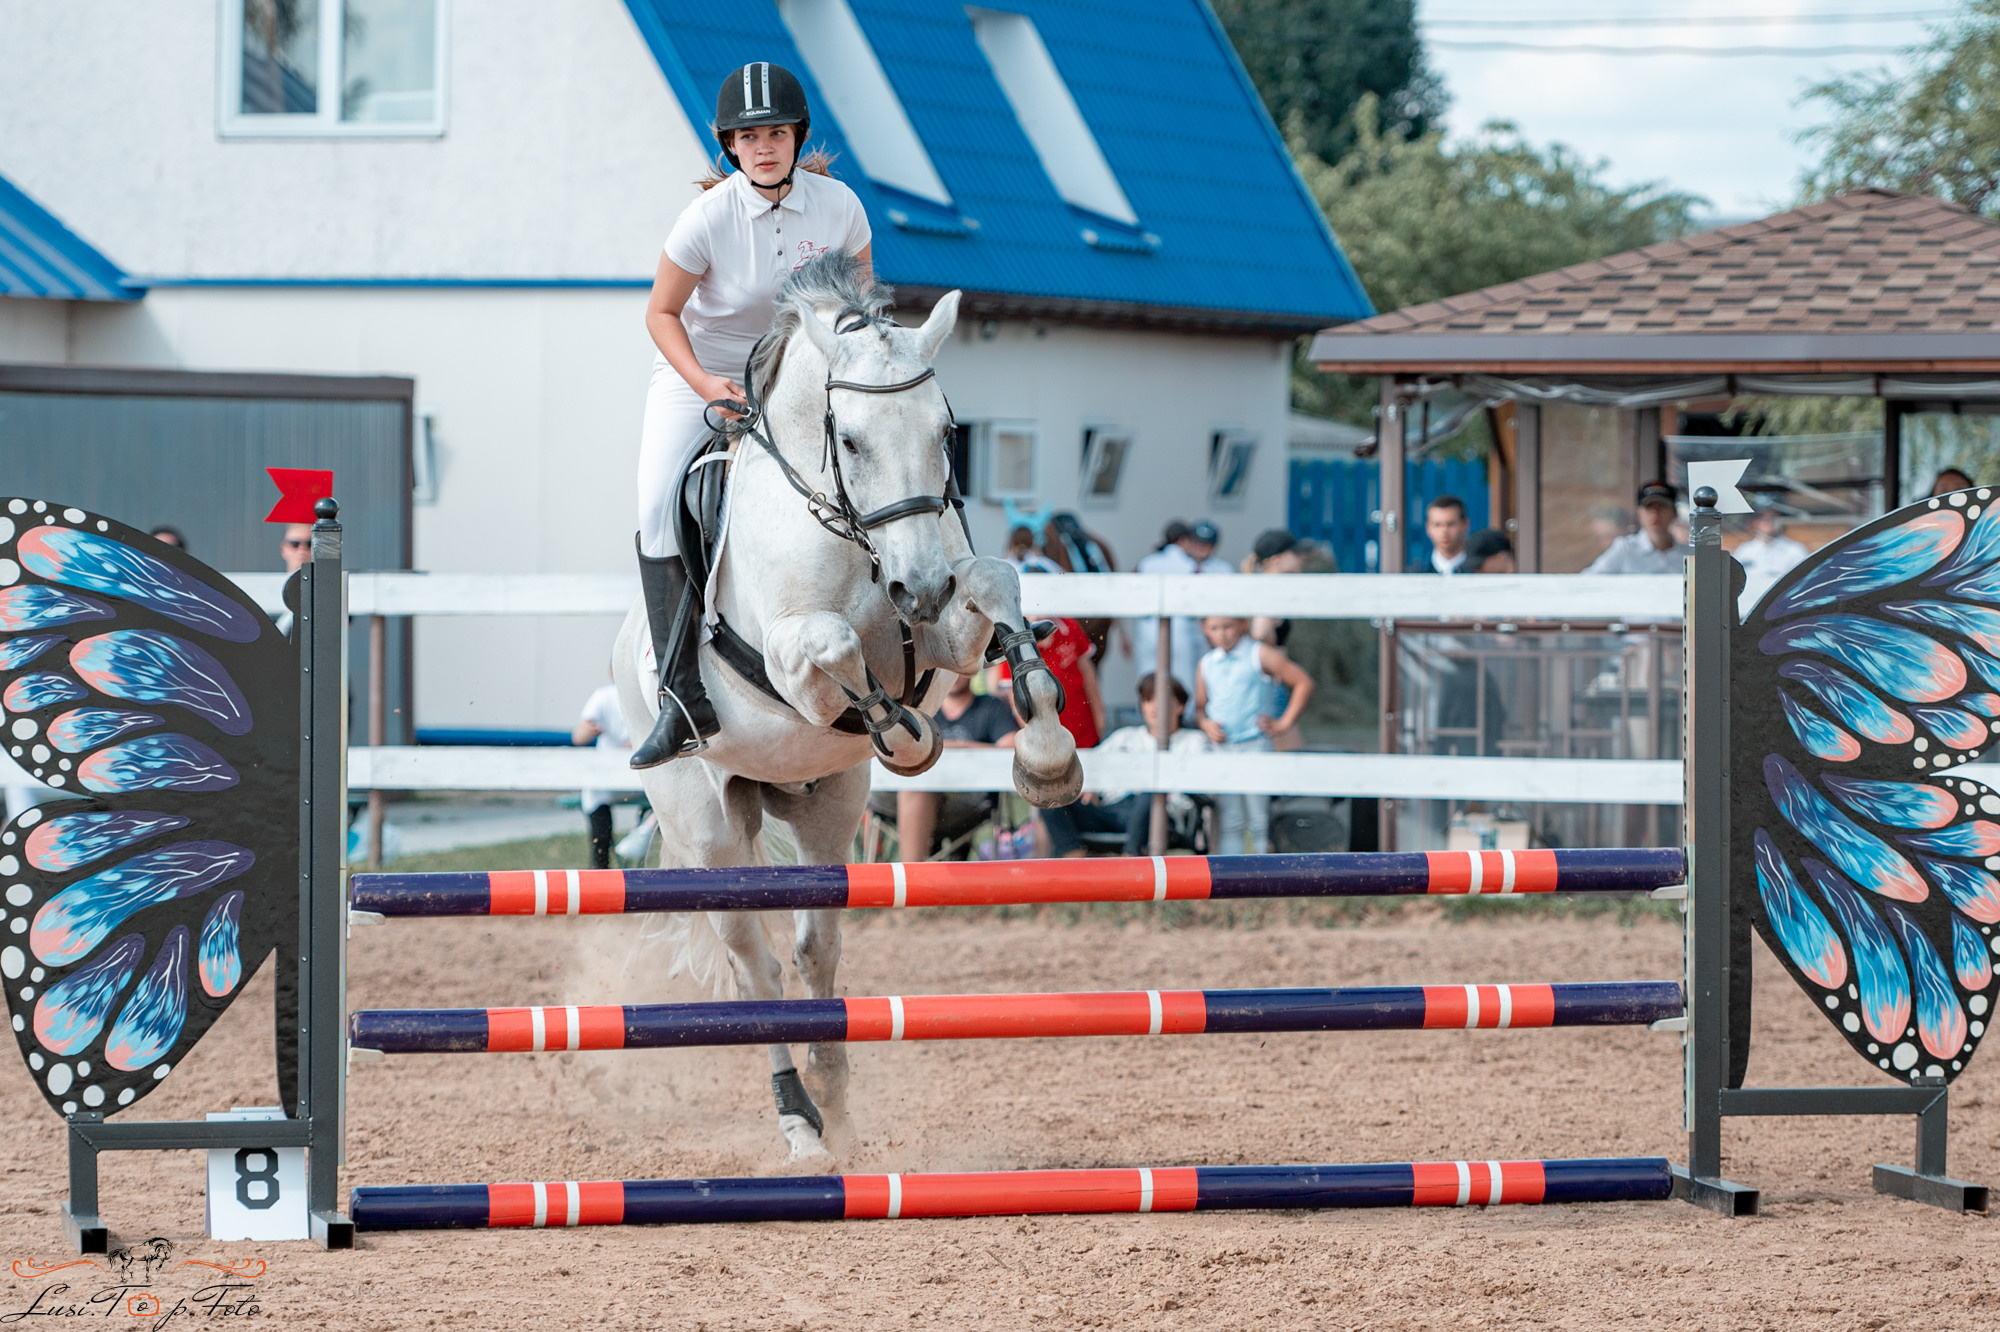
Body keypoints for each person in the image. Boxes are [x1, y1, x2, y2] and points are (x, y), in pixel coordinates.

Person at [630, 63, 871, 769]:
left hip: (797, 373)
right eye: (748, 136)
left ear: (796, 137)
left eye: (774, 133)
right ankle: (681, 697)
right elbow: (660, 312)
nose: (763, 147)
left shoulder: (840, 208)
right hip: (703, 372)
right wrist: (706, 382)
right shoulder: (707, 217)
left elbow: (857, 313)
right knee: (653, 505)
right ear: (728, 146)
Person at [1039, 674, 1211, 857]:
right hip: (1112, 808)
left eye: (1162, 700)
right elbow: (1088, 766)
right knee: (1051, 795)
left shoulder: (1194, 741)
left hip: (1162, 814)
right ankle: (1073, 860)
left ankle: (1130, 861)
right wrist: (1089, 785)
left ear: (1180, 706)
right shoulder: (1124, 736)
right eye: (1148, 700)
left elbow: (1203, 785)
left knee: (1149, 796)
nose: (1155, 707)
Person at [1195, 615, 1314, 855]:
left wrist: (1284, 723)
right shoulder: (1207, 663)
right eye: (1214, 627)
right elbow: (1201, 706)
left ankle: (1260, 875)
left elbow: (1303, 682)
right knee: (1230, 818)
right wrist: (1205, 723)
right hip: (1223, 749)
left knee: (1259, 818)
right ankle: (1233, 876)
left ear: (1242, 624)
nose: (1222, 634)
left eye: (1227, 626)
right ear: (1205, 629)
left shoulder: (1258, 654)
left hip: (1255, 745)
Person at [895, 672, 1016, 859]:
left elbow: (1009, 746)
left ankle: (911, 877)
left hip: (972, 801)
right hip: (914, 797)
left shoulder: (990, 707)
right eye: (946, 671)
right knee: (917, 787)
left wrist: (945, 746)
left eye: (958, 670)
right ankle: (912, 877)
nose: (953, 677)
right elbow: (900, 747)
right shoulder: (922, 709)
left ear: (972, 671)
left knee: (916, 787)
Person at [1133, 519, 1232, 716]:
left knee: (1157, 675)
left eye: (1207, 544)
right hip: (1181, 625)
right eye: (1196, 542)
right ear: (1184, 541)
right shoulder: (1188, 564)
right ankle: (1181, 716)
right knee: (1183, 675)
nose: (1201, 548)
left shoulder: (1149, 561)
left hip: (1154, 626)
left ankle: (1162, 716)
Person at [995, 616, 1104, 749]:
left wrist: (1100, 717)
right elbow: (1017, 701)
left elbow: (1088, 673)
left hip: (1087, 735)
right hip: (1050, 745)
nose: (1036, 617)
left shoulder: (1069, 625)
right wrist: (1041, 741)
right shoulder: (1013, 647)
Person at [573, 677, 633, 869]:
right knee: (594, 792)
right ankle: (600, 860)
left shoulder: (646, 692)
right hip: (608, 775)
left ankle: (645, 834)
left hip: (641, 772)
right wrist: (589, 730)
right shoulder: (604, 696)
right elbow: (578, 736)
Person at [1582, 482, 1691, 574]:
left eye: (1662, 506)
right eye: (1649, 507)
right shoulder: (1625, 548)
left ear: (1674, 512)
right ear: (1639, 513)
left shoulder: (1689, 555)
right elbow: (1590, 579)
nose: (1655, 513)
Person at [1421, 496, 1470, 574]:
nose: (1444, 531)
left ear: (1465, 524)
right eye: (1437, 525)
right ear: (1428, 528)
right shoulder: (1416, 574)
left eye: (1450, 524)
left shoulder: (1483, 571)